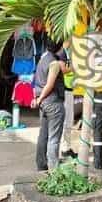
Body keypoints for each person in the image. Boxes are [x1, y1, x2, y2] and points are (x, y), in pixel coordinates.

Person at [33, 39, 65, 171]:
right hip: (52, 102)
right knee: (54, 138)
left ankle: (41, 164)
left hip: (44, 103)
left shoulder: (43, 57)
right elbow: (50, 84)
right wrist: (39, 99)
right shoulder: (54, 63)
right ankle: (54, 169)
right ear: (60, 47)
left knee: (44, 134)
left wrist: (38, 98)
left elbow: (38, 80)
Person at [57, 39, 77, 159]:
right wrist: (74, 68)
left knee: (69, 120)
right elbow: (63, 70)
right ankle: (64, 149)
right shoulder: (61, 54)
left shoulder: (66, 52)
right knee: (66, 121)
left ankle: (67, 147)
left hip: (69, 89)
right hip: (65, 90)